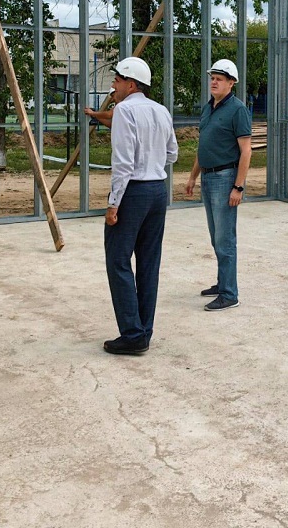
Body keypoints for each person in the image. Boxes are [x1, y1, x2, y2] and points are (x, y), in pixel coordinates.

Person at [103, 57, 178, 355]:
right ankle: (144, 330)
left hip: (133, 191)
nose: (114, 85)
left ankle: (132, 334)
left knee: (118, 260)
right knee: (148, 263)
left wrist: (113, 204)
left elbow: (123, 163)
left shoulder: (124, 110)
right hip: (157, 191)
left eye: (118, 81)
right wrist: (154, 164)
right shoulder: (161, 111)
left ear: (131, 83)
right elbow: (172, 153)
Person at [185, 59, 252, 311]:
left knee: (225, 239)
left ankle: (229, 294)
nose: (214, 81)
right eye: (212, 77)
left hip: (225, 179)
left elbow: (246, 151)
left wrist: (238, 187)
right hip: (207, 177)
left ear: (231, 83)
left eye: (220, 78)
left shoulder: (237, 110)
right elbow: (204, 146)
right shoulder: (208, 108)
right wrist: (193, 176)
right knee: (216, 237)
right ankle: (222, 282)